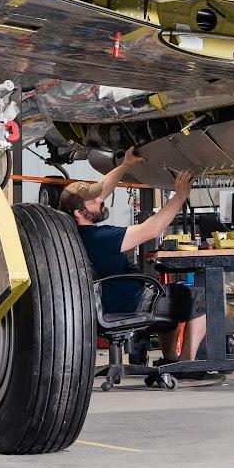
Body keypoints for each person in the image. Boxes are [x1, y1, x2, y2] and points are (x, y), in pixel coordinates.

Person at [58, 153, 204, 364]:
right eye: (93, 200)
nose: (101, 200)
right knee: (197, 297)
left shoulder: (72, 231)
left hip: (108, 303)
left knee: (170, 295)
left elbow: (101, 190)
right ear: (79, 213)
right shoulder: (100, 237)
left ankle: (171, 360)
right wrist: (180, 195)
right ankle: (187, 365)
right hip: (131, 304)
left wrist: (125, 165)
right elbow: (152, 229)